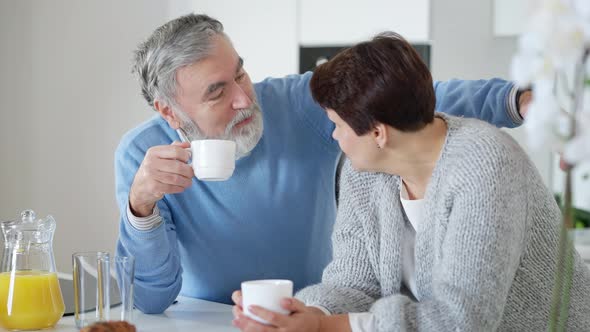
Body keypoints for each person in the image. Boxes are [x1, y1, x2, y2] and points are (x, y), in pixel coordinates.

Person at [115, 14, 529, 314]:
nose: (244, 99)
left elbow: (405, 101)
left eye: (240, 75)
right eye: (217, 92)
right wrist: (141, 209)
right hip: (213, 322)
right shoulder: (142, 156)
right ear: (169, 112)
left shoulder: (294, 104)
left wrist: (517, 100)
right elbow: (152, 300)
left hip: (318, 311)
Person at [230, 32, 590, 331]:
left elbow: (462, 321)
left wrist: (330, 327)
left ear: (377, 132)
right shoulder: (364, 173)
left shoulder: (486, 166)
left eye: (338, 125)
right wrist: (306, 313)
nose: (335, 137)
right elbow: (353, 283)